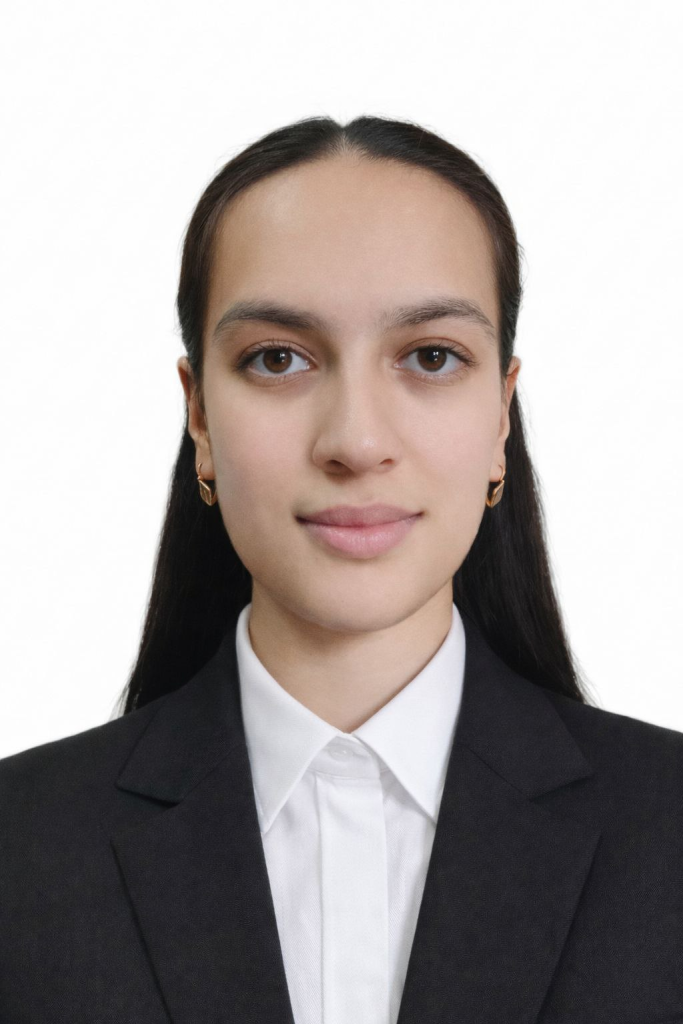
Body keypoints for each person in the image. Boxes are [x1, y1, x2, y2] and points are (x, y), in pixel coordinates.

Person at [1, 115, 681, 1024]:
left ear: (500, 415)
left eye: (431, 357)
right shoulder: (20, 847)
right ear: (199, 416)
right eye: (276, 358)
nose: (356, 442)